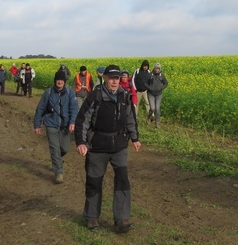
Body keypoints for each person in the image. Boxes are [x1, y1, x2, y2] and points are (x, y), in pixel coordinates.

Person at [75, 64, 141, 233]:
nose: (114, 81)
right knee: (94, 181)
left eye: (117, 78)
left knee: (122, 180)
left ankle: (122, 219)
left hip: (119, 145)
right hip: (98, 146)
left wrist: (135, 138)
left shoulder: (124, 95)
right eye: (111, 78)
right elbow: (83, 119)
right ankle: (91, 218)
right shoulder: (95, 96)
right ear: (104, 78)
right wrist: (81, 142)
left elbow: (130, 119)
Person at [33, 70, 78, 183]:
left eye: (62, 80)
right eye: (58, 79)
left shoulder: (70, 93)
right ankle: (59, 172)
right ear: (55, 81)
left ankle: (56, 159)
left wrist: (72, 122)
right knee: (54, 148)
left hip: (65, 125)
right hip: (51, 124)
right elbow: (40, 109)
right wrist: (37, 125)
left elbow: (74, 109)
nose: (60, 81)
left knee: (65, 148)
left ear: (64, 81)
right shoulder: (48, 93)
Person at [145, 62, 168, 128]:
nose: (157, 70)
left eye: (158, 68)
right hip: (151, 94)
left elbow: (166, 83)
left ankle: (157, 123)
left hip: (159, 94)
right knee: (152, 108)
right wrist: (150, 88)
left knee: (157, 109)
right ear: (154, 68)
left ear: (160, 69)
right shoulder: (150, 75)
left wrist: (161, 88)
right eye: (156, 68)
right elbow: (145, 83)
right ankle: (149, 118)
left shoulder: (162, 75)